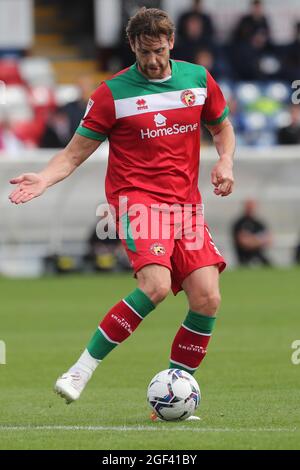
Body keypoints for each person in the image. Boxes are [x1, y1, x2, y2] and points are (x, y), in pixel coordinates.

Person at [9, 8, 235, 420]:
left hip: (186, 205)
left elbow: (221, 127)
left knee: (207, 298)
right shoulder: (111, 94)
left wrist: (226, 162)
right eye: (144, 51)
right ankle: (80, 370)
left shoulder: (198, 80)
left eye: (159, 51)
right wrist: (44, 179)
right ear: (133, 46)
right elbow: (74, 153)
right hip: (138, 201)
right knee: (156, 286)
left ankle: (172, 396)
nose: (152, 60)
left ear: (171, 44)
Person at [232, 199, 272, 266]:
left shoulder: (258, 223)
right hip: (245, 258)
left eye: (252, 207)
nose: (251, 209)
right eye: (249, 207)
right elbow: (244, 243)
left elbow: (269, 239)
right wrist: (259, 241)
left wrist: (252, 240)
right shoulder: (240, 223)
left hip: (259, 256)